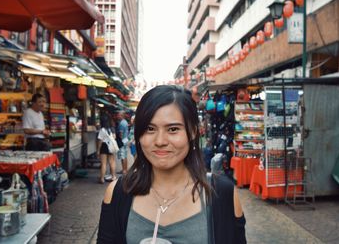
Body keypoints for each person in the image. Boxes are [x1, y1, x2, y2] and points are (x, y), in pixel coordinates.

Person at [97, 85, 246, 244]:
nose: (160, 141)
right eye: (150, 129)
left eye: (173, 129)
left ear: (193, 131)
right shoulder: (118, 193)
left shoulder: (223, 194)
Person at [97, 115, 117, 184]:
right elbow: (114, 137)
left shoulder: (102, 130)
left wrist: (98, 150)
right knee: (112, 162)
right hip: (111, 146)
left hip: (104, 147)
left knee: (103, 163)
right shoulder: (112, 129)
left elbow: (100, 141)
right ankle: (113, 177)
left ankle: (102, 179)